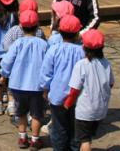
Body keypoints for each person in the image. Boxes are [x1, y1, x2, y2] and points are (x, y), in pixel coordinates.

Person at [1, 9, 49, 150]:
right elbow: (48, 64)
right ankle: (35, 139)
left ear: (21, 26)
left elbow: (7, 61)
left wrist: (4, 74)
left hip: (18, 85)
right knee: (36, 114)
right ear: (37, 25)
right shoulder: (43, 44)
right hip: (37, 86)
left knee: (20, 112)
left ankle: (22, 138)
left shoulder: (17, 43)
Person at [63, 29, 114, 151]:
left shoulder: (81, 65)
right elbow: (111, 83)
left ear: (84, 47)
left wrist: (68, 103)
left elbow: (74, 90)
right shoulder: (106, 63)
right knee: (89, 136)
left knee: (85, 141)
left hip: (85, 111)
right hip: (101, 109)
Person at [39, 15, 84, 151]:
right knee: (75, 128)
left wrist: (45, 89)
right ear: (77, 33)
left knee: (59, 128)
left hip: (57, 96)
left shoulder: (53, 50)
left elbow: (46, 73)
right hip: (77, 97)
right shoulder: (82, 51)